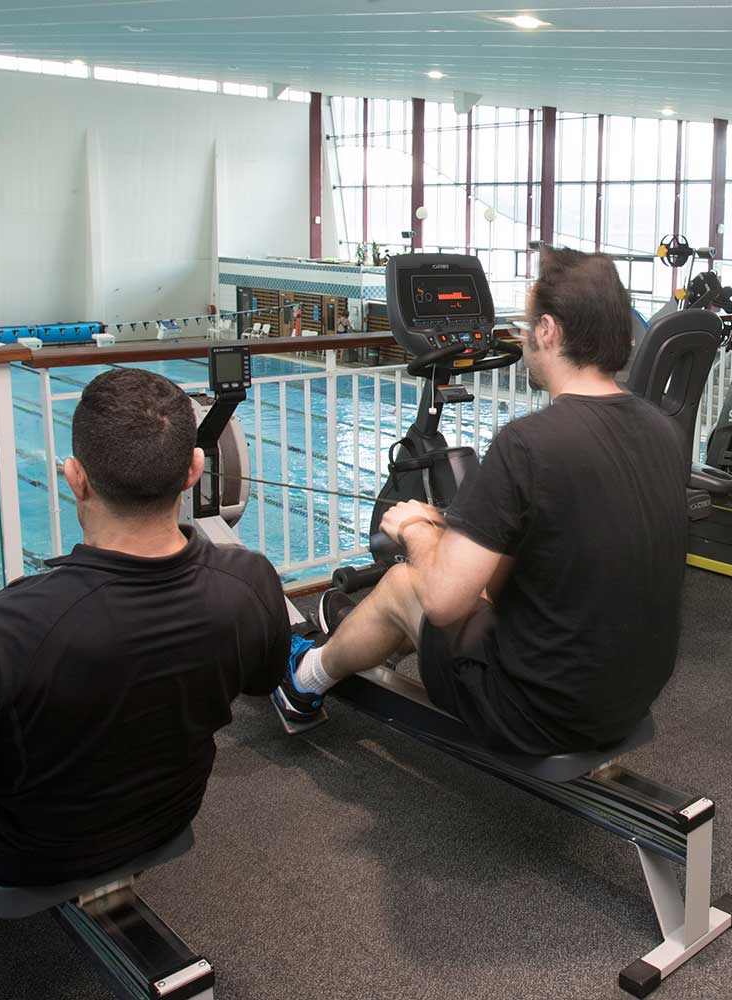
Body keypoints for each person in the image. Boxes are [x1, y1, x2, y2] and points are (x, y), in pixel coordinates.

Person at [0, 368, 289, 887]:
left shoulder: (1, 630)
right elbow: (263, 680)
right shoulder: (251, 581)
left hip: (22, 854)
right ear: (194, 468)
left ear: (74, 476)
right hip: (168, 818)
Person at [272, 247, 688, 756]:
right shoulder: (661, 429)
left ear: (550, 332)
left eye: (527, 322)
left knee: (407, 581)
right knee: (471, 577)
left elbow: (447, 602)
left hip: (541, 712)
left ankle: (302, 684)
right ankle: (367, 634)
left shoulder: (529, 443)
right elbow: (568, 539)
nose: (520, 333)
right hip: (631, 694)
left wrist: (418, 531)